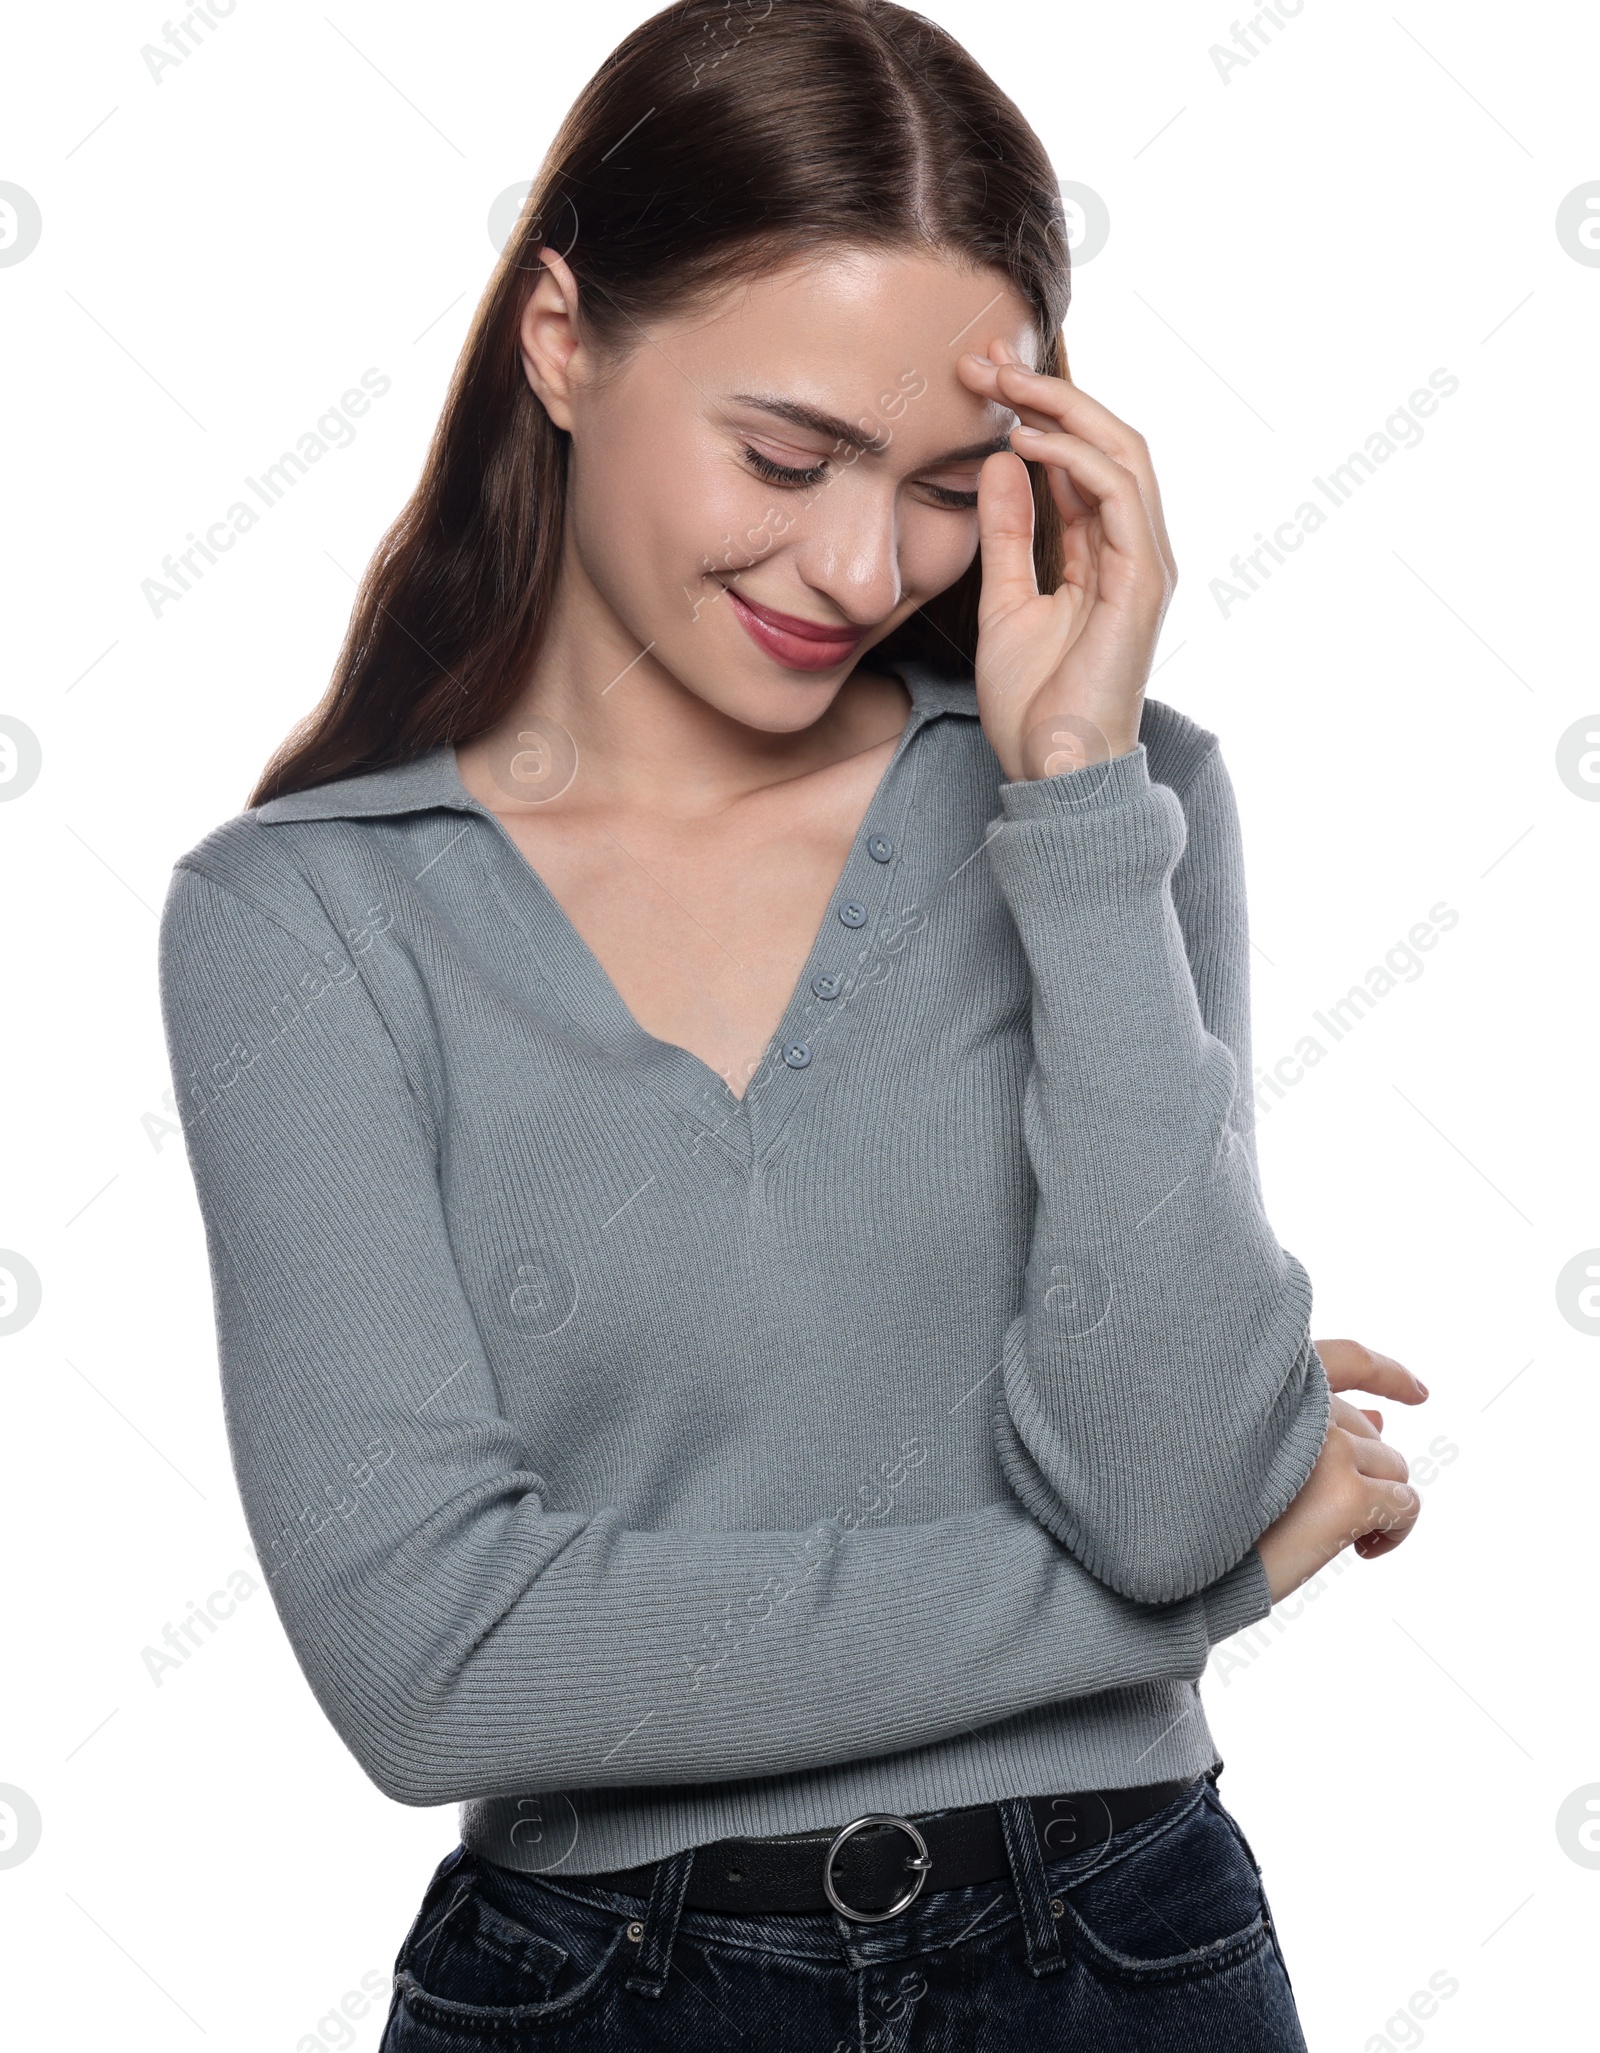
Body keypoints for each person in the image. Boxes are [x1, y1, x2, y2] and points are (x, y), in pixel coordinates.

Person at [157, 2, 1428, 2045]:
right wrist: (1174, 1606)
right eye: (783, 453)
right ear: (560, 340)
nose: (856, 564)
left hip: (1124, 1955)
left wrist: (1075, 804)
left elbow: (1163, 1475)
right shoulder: (301, 917)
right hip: (595, 1990)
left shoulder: (1115, 806)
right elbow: (436, 1661)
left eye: (944, 484)